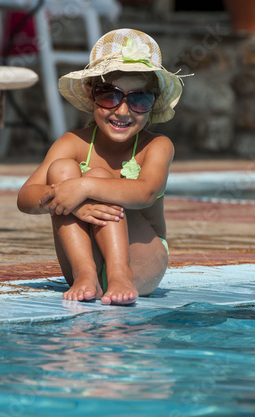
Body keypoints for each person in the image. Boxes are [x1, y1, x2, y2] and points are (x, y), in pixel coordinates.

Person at [17, 28, 184, 306]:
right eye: (110, 96)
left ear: (152, 105)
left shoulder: (157, 146)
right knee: (60, 170)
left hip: (141, 262)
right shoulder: (73, 142)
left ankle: (119, 272)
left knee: (94, 176)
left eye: (139, 99)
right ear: (91, 94)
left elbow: (144, 193)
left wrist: (84, 187)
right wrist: (73, 203)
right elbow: (26, 197)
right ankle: (85, 273)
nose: (122, 111)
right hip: (84, 267)